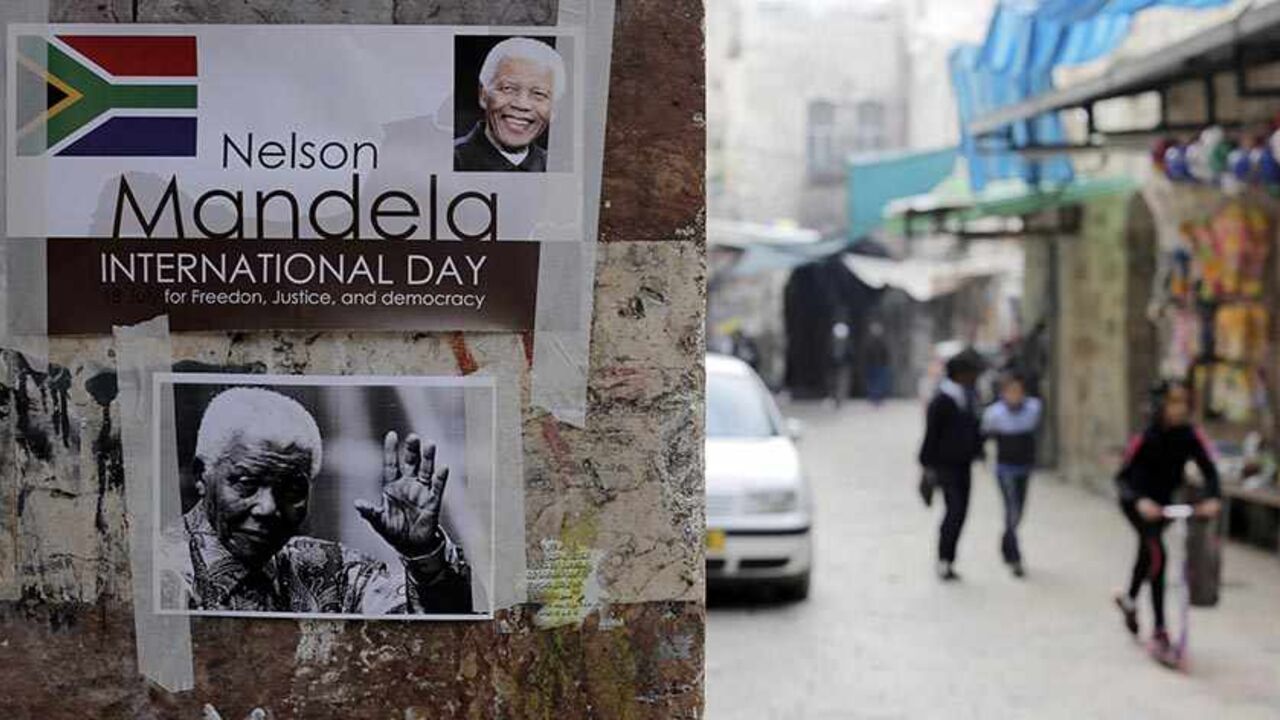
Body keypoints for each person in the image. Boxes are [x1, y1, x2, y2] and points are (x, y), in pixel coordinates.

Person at [160, 387, 473, 614]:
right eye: (246, 483)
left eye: (292, 490)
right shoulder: (150, 576)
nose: (269, 508)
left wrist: (423, 552)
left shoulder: (332, 573)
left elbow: (442, 638)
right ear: (201, 475)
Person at [1113, 379, 1221, 662]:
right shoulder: (1145, 437)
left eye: (1183, 402)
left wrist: (1212, 498)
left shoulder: (1189, 436)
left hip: (1165, 506)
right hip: (1138, 504)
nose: (1178, 408)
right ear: (1161, 405)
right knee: (1157, 555)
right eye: (1173, 402)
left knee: (1147, 552)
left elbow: (1210, 471)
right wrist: (1139, 501)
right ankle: (1160, 630)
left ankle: (1130, 600)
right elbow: (1122, 479)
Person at [918, 349, 985, 581]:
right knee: (954, 510)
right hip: (945, 465)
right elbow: (931, 434)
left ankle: (950, 558)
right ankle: (943, 558)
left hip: (963, 464)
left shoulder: (970, 397)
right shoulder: (942, 400)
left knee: (962, 511)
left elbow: (976, 429)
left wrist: (979, 450)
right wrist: (926, 466)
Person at [454, 37, 565, 172]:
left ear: (554, 109)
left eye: (539, 94)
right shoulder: (447, 159)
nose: (522, 104)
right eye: (508, 88)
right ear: (483, 95)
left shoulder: (558, 169)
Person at [981, 371, 1042, 578]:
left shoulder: (1033, 409)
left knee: (1019, 511)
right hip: (1005, 468)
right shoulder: (994, 414)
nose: (1015, 395)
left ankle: (1007, 542)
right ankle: (1015, 556)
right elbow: (985, 437)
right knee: (1012, 510)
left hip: (1024, 467)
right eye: (1011, 391)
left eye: (1018, 391)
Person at [864, 322, 892, 405]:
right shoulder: (869, 342)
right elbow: (867, 354)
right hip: (872, 365)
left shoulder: (883, 342)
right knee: (872, 382)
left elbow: (886, 353)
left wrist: (886, 363)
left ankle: (879, 398)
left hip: (881, 365)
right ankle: (873, 397)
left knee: (881, 383)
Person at [827, 321, 852, 408]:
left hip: (839, 365)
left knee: (839, 383)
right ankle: (838, 399)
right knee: (839, 383)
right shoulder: (842, 342)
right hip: (840, 365)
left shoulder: (834, 342)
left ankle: (838, 399)